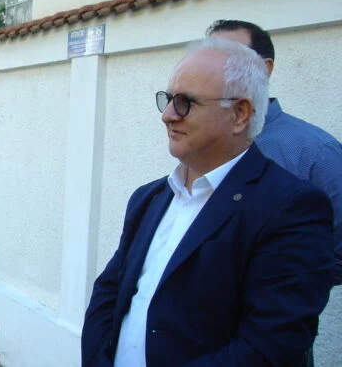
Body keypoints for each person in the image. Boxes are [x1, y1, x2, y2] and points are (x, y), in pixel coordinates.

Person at [81, 38, 333, 366]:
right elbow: (108, 293)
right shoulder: (149, 198)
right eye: (169, 99)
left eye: (185, 102)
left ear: (240, 114)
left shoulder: (291, 208)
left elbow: (271, 343)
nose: (168, 116)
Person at [207, 19, 342, 286]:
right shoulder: (200, 141)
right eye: (209, 60)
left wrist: (278, 286)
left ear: (264, 69)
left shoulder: (315, 151)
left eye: (230, 60)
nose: (215, 71)